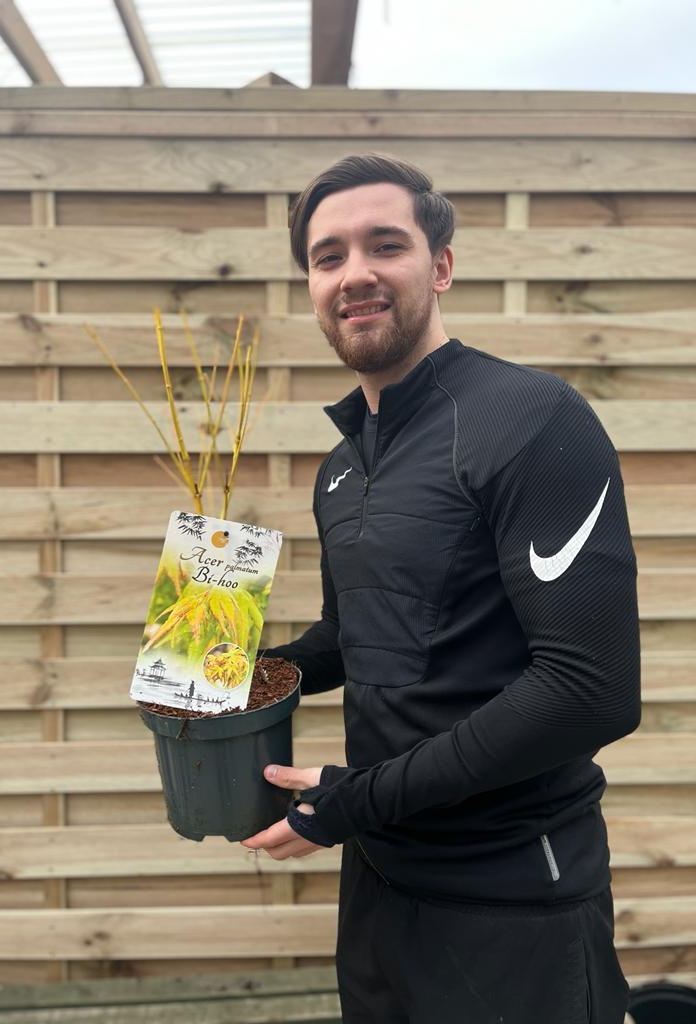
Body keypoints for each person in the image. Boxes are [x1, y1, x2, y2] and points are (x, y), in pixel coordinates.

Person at [241, 153, 640, 1023]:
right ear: (311, 284)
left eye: (386, 245)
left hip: (513, 899)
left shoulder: (532, 420)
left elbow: (592, 690)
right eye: (328, 255)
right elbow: (358, 639)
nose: (356, 274)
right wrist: (233, 675)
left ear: (442, 265)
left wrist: (356, 799)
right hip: (381, 889)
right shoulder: (344, 467)